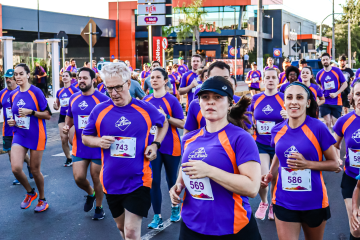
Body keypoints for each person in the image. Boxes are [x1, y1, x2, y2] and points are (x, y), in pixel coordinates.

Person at [81, 62, 169, 239]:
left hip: (139, 180)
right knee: (122, 228)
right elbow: (85, 137)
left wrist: (155, 144)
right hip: (111, 181)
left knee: (130, 232)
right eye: (109, 88)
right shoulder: (100, 110)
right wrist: (99, 141)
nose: (114, 93)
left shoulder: (145, 109)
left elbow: (164, 122)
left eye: (118, 87)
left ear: (129, 84)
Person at [170, 76, 262, 240]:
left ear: (230, 103)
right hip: (192, 226)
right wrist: (177, 186)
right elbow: (184, 173)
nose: (210, 102)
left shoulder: (240, 138)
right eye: (205, 97)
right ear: (199, 103)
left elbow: (252, 188)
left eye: (218, 97)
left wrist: (210, 171)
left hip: (232, 228)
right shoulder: (189, 139)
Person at [262, 81, 339, 240]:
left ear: (308, 102)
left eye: (299, 97)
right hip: (283, 201)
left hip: (314, 202)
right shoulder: (277, 130)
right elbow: (279, 153)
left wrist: (307, 164)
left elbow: (335, 164)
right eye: (289, 97)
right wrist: (270, 173)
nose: (294, 101)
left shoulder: (318, 127)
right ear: (284, 102)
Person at [63, 67, 109, 220]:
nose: (81, 80)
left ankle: (99, 207)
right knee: (79, 178)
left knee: (96, 177)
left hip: (97, 146)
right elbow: (69, 118)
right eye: (79, 77)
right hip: (80, 145)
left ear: (93, 80)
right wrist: (66, 127)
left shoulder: (103, 99)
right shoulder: (74, 98)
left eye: (84, 78)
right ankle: (91, 193)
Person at [144, 68, 185, 229]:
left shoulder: (172, 100)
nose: (154, 80)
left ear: (165, 80)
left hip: (171, 145)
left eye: (157, 77)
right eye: (152, 77)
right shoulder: (146, 100)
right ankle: (157, 216)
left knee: (171, 179)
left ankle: (175, 208)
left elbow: (182, 123)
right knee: (153, 180)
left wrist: (166, 117)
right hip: (153, 147)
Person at [8, 63, 52, 212]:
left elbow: (48, 115)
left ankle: (42, 199)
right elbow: (15, 114)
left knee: (34, 170)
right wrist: (12, 121)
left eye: (21, 74)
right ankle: (30, 192)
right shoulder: (13, 94)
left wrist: (31, 112)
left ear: (28, 75)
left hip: (36, 134)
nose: (18, 77)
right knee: (16, 168)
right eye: (16, 74)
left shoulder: (36, 92)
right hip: (19, 133)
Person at [251, 68, 287, 221]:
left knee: (275, 177)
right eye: (268, 77)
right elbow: (250, 116)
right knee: (263, 176)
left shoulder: (284, 98)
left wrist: (288, 117)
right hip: (261, 144)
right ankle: (264, 202)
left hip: (279, 144)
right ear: (263, 80)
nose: (270, 80)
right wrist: (251, 125)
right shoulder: (256, 98)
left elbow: (296, 119)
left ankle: (273, 203)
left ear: (278, 81)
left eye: (273, 77)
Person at [184, 61, 247, 134]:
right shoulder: (195, 104)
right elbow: (187, 134)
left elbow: (248, 131)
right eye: (216, 78)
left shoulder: (240, 102)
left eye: (225, 78)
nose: (221, 82)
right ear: (206, 78)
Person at [334, 80, 360, 240]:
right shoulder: (344, 121)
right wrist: (337, 159)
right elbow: (334, 146)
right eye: (358, 94)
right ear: (352, 97)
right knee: (356, 228)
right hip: (351, 179)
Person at [0, 69, 32, 185]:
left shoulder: (21, 92)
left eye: (9, 78)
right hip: (7, 129)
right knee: (10, 153)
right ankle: (18, 174)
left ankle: (29, 165)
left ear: (15, 79)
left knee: (22, 154)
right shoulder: (2, 93)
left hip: (20, 129)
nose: (7, 80)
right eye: (6, 78)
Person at [53, 70, 80, 167]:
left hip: (72, 117)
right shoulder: (59, 91)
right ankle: (69, 158)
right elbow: (57, 106)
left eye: (66, 76)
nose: (64, 77)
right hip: (62, 117)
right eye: (63, 76)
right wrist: (55, 106)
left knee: (71, 140)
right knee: (63, 138)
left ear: (70, 78)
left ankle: (81, 154)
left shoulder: (75, 90)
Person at [316, 52, 348, 131]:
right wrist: (319, 97)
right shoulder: (319, 74)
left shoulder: (336, 71)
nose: (325, 61)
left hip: (336, 101)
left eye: (327, 59)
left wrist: (336, 93)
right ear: (321, 61)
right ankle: (328, 142)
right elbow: (317, 87)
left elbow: (345, 84)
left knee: (335, 123)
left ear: (330, 60)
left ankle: (337, 143)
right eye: (323, 60)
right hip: (325, 101)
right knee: (327, 122)